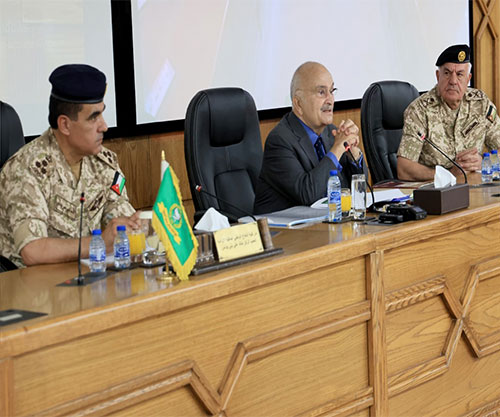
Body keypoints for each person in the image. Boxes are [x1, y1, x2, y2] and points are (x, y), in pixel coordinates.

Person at [0, 64, 140, 268]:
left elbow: (121, 218)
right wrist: (97, 243)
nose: (104, 126)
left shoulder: (103, 163)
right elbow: (33, 250)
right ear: (65, 124)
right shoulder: (26, 169)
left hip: (84, 279)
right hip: (28, 288)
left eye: (102, 114)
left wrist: (137, 226)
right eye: (94, 118)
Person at [253, 61, 366, 214]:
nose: (330, 100)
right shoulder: (280, 141)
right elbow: (309, 195)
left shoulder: (331, 133)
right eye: (321, 92)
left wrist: (354, 154)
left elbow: (360, 189)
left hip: (325, 227)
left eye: (332, 91)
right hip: (286, 235)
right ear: (298, 104)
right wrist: (337, 150)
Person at [397, 44, 500, 181]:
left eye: (459, 75)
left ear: (468, 79)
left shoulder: (480, 104)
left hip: (476, 187)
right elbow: (404, 169)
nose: (453, 81)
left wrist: (484, 163)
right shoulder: (419, 111)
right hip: (436, 192)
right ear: (438, 76)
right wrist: (448, 174)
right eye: (447, 73)